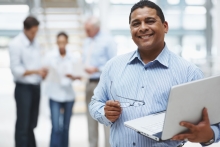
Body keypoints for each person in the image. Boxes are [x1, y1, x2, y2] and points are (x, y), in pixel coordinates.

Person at [89, 1, 220, 147]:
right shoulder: (113, 67)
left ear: (165, 27)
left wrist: (209, 135)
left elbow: (215, 122)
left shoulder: (189, 73)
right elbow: (95, 103)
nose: (143, 28)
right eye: (136, 23)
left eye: (150, 21)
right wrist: (104, 113)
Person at [9, 16, 48, 147]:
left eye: (36, 32)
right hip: (23, 88)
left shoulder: (35, 42)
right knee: (23, 123)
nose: (34, 35)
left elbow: (36, 63)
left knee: (32, 123)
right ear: (25, 29)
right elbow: (16, 70)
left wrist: (41, 73)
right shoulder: (16, 44)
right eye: (32, 32)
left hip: (36, 86)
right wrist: (36, 71)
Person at [83, 17, 117, 147]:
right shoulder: (87, 41)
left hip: (103, 83)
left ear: (96, 28)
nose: (86, 31)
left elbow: (113, 64)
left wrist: (97, 68)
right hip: (89, 83)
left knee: (106, 118)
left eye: (88, 29)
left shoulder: (107, 41)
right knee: (90, 118)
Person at [43, 32, 80, 147]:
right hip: (54, 95)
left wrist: (74, 76)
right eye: (59, 42)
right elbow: (44, 74)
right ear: (56, 42)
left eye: (63, 42)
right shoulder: (50, 56)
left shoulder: (73, 57)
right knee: (56, 127)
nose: (61, 45)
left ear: (67, 42)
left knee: (65, 127)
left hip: (69, 96)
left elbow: (79, 76)